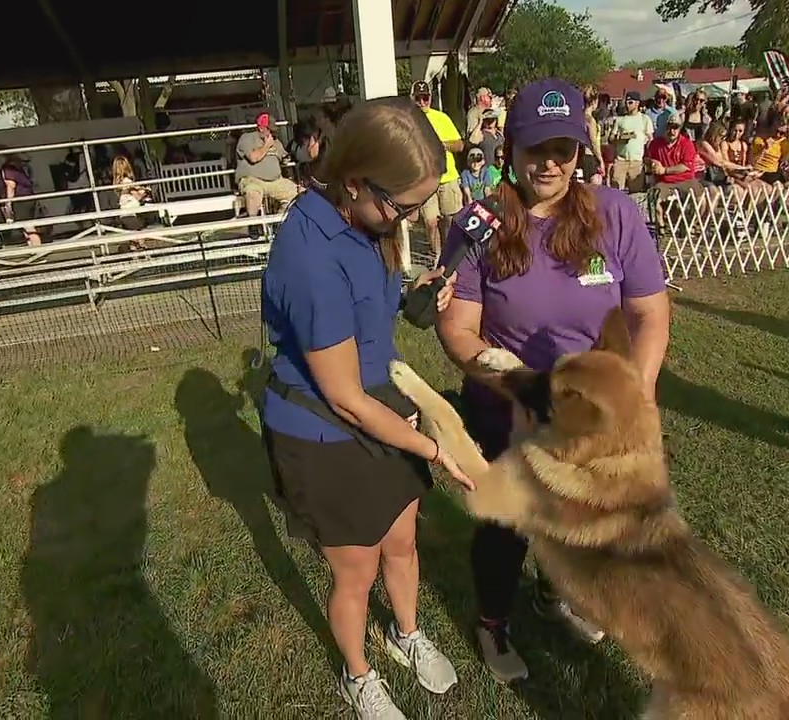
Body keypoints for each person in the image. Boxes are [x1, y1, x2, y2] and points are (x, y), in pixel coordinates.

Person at [436, 78, 671, 682]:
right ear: (510, 147)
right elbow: (458, 330)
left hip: (593, 418)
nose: (549, 163)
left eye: (563, 149)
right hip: (507, 411)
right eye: (536, 148)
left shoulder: (616, 214)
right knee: (506, 528)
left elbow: (650, 313)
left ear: (581, 151)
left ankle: (554, 593)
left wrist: (635, 393)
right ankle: (492, 622)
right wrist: (508, 380)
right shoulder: (478, 223)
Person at [260, 96, 470, 720]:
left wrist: (415, 294)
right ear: (354, 182)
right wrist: (437, 449)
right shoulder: (312, 257)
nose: (408, 219)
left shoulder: (364, 222)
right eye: (402, 207)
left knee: (401, 542)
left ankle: (406, 635)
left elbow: (368, 313)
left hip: (378, 405)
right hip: (326, 432)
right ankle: (358, 673)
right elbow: (345, 399)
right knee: (355, 571)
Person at [411, 81, 464, 266]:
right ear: (413, 99)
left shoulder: (441, 118)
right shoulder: (408, 119)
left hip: (447, 177)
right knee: (431, 222)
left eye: (425, 98)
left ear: (430, 98)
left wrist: (442, 144)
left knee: (450, 220)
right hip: (424, 180)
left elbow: (460, 145)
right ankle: (437, 256)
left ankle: (449, 255)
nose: (422, 102)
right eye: (418, 98)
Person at [235, 111, 300, 217]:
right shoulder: (247, 138)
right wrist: (266, 145)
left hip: (275, 181)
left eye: (274, 130)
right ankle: (254, 225)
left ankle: (278, 223)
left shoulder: (276, 142)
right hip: (253, 180)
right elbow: (253, 158)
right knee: (253, 194)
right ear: (261, 128)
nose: (273, 133)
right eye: (270, 130)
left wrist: (286, 158)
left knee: (296, 193)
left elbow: (284, 157)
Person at [645, 110, 702, 192]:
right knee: (654, 197)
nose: (672, 131)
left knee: (700, 198)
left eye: (675, 128)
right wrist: (652, 162)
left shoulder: (687, 144)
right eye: (669, 127)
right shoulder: (655, 144)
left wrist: (664, 170)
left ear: (679, 129)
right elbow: (647, 158)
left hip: (685, 180)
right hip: (664, 182)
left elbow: (685, 166)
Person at [609, 91, 654, 193]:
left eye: (630, 102)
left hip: (636, 161)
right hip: (621, 160)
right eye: (626, 102)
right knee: (616, 190)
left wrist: (649, 156)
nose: (627, 105)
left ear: (637, 103)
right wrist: (620, 138)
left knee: (636, 191)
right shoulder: (620, 120)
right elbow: (611, 138)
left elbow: (650, 139)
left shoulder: (644, 119)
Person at [0, 153, 43, 246]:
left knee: (27, 226)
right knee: (25, 226)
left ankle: (38, 248)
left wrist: (8, 203)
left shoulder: (8, 169)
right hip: (28, 197)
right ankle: (33, 248)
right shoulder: (19, 169)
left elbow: (11, 186)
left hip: (20, 200)